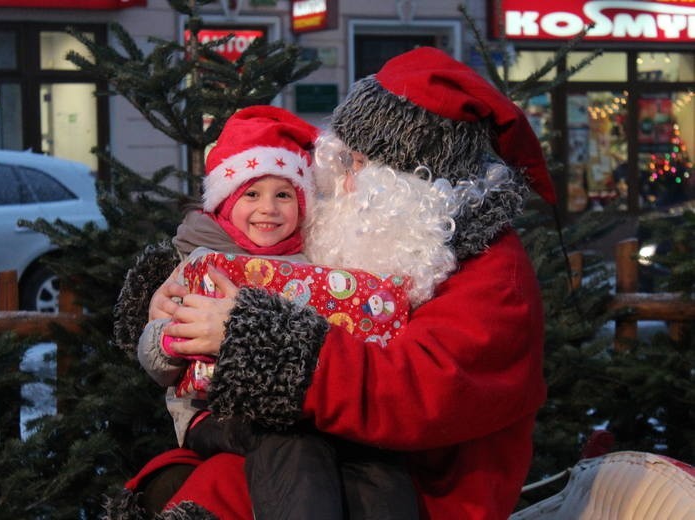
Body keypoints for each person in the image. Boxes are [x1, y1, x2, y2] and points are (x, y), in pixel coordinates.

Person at [110, 47, 556, 519]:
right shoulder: (369, 232)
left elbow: (416, 395)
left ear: (417, 179)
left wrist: (256, 342)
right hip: (323, 455)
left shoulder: (492, 273)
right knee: (187, 484)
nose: (343, 180)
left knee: (229, 489)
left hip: (420, 491)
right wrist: (171, 295)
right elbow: (251, 255)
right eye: (342, 159)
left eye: (358, 163)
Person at [132, 105, 423, 520]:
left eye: (283, 194)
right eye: (252, 193)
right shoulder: (202, 261)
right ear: (226, 201)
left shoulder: (318, 266)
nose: (268, 208)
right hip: (215, 411)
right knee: (288, 443)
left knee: (373, 458)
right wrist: (170, 339)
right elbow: (157, 356)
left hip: (304, 402)